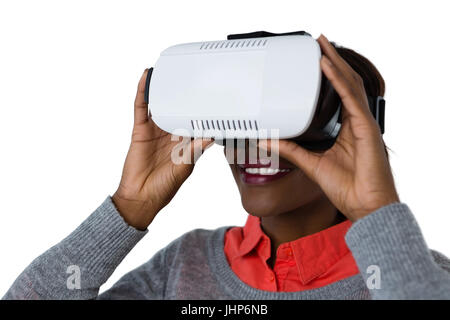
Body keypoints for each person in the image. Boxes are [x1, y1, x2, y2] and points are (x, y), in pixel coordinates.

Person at [4, 35, 450, 300]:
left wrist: (376, 213)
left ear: (350, 131)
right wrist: (127, 208)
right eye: (237, 118)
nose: (256, 145)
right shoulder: (185, 266)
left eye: (286, 115)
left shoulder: (416, 274)